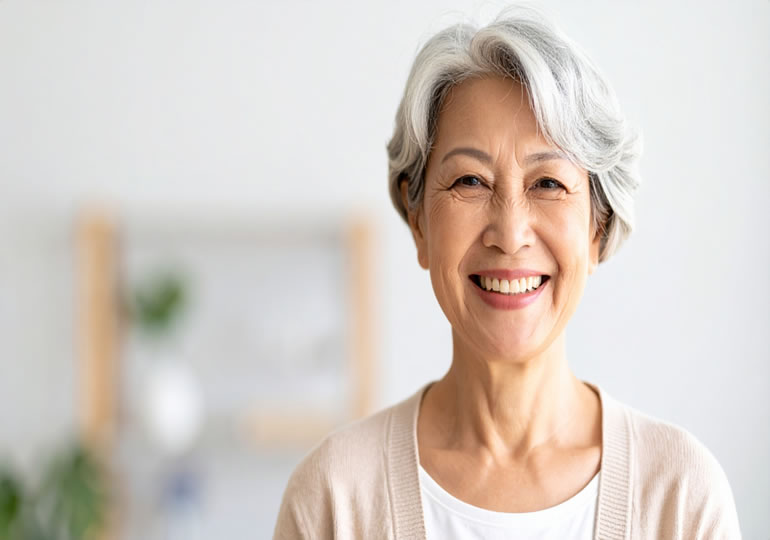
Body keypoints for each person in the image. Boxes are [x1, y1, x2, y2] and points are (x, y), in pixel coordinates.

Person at [273, 6, 741, 539]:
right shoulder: (335, 498)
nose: (510, 232)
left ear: (598, 223)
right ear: (419, 219)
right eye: (470, 181)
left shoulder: (680, 498)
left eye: (547, 183)